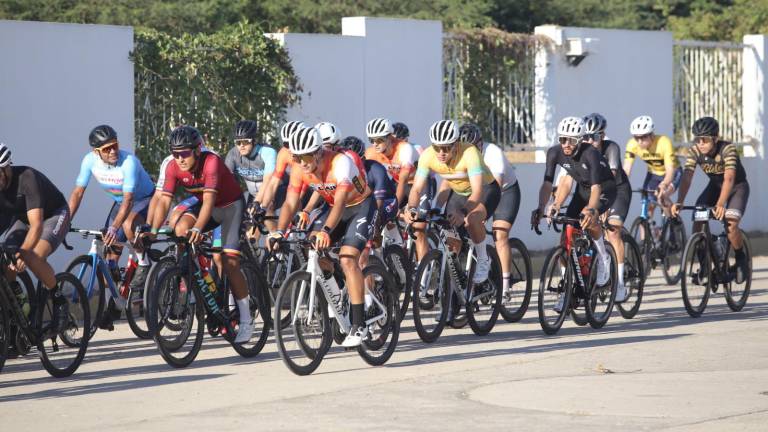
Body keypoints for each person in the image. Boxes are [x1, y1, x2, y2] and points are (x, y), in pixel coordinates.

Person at [142, 125, 253, 343]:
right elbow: (164, 200)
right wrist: (153, 230)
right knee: (179, 228)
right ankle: (196, 277)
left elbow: (210, 201)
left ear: (197, 150)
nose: (180, 159)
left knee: (230, 262)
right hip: (205, 206)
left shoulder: (211, 162)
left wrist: (197, 228)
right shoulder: (173, 166)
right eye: (175, 154)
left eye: (184, 153)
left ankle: (247, 320)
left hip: (230, 206)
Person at [268, 127, 375, 347]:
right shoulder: (299, 168)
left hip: (360, 206)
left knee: (347, 258)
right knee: (313, 249)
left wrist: (326, 231)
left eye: (307, 156)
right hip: (335, 208)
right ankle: (338, 295)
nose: (302, 162)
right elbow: (289, 202)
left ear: (318, 152)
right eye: (297, 157)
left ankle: (359, 324)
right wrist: (279, 230)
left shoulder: (340, 163)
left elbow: (341, 201)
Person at [68, 125, 155, 329]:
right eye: (107, 149)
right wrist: (65, 221)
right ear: (95, 152)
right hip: (120, 203)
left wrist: (114, 228)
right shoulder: (89, 162)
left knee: (124, 225)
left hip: (144, 200)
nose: (113, 151)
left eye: (115, 146)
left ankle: (144, 263)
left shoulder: (129, 162)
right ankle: (113, 305)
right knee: (110, 259)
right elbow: (78, 193)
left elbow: (128, 200)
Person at [532, 117, 616, 311]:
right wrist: (545, 206)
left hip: (604, 189)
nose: (566, 145)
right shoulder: (554, 152)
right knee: (565, 239)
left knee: (590, 220)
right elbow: (547, 184)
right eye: (562, 139)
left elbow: (596, 188)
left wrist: (592, 210)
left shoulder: (591, 153)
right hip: (582, 191)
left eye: (570, 140)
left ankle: (604, 258)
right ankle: (568, 291)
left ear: (580, 140)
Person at [404, 120, 501, 285]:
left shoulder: (470, 153)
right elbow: (416, 189)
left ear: (456, 144)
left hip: (486, 190)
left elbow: (477, 191)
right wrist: (411, 208)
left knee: (471, 220)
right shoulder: (427, 156)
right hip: (460, 193)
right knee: (450, 237)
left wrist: (463, 213)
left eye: (447, 148)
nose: (441, 152)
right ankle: (453, 289)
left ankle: (484, 259)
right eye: (437, 147)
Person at [0, 143, 71, 336]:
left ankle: (58, 299)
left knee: (32, 255)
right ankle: (14, 304)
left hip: (53, 215)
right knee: (6, 254)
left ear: (6, 169)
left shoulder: (26, 178)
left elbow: (37, 224)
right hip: (22, 218)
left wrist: (23, 252)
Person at [671, 116, 750, 280]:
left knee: (731, 223)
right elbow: (687, 177)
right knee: (698, 218)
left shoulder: (728, 149)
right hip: (715, 186)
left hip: (737, 187)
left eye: (705, 140)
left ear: (715, 138)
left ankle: (741, 259)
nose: (700, 143)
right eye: (697, 139)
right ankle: (705, 264)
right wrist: (680, 201)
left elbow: (729, 178)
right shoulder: (694, 151)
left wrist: (721, 204)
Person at [458, 123, 521, 298]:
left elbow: (496, 187)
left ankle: (505, 285)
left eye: (474, 146)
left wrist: (484, 212)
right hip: (477, 191)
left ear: (480, 143)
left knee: (499, 235)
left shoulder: (492, 152)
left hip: (504, 191)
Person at [582, 113, 631, 302]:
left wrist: (605, 208)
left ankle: (619, 284)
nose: (590, 141)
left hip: (617, 189)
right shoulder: (581, 150)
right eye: (586, 137)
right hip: (595, 191)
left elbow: (608, 181)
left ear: (602, 136)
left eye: (594, 137)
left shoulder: (612, 148)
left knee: (613, 230)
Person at [364, 118, 420, 248]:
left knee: (419, 226)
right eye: (371, 140)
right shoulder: (372, 152)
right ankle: (397, 243)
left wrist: (395, 206)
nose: (375, 144)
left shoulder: (404, 149)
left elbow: (403, 181)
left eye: (379, 140)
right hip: (396, 181)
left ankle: (424, 265)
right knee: (384, 214)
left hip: (417, 184)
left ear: (390, 137)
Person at [623, 115, 682, 224]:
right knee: (646, 204)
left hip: (673, 173)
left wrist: (664, 185)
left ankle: (673, 225)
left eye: (643, 137)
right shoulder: (632, 144)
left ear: (652, 135)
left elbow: (670, 171)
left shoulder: (664, 142)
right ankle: (647, 236)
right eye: (636, 137)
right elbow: (626, 170)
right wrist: (620, 185)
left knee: (662, 197)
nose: (639, 141)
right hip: (653, 174)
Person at [224, 120, 277, 234]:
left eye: (245, 142)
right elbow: (225, 181)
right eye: (238, 142)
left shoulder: (267, 152)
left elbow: (268, 182)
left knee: (266, 210)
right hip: (253, 195)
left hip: (273, 190)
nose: (241, 146)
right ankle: (254, 249)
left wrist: (258, 202)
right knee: (249, 231)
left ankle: (275, 239)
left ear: (254, 140)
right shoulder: (233, 155)